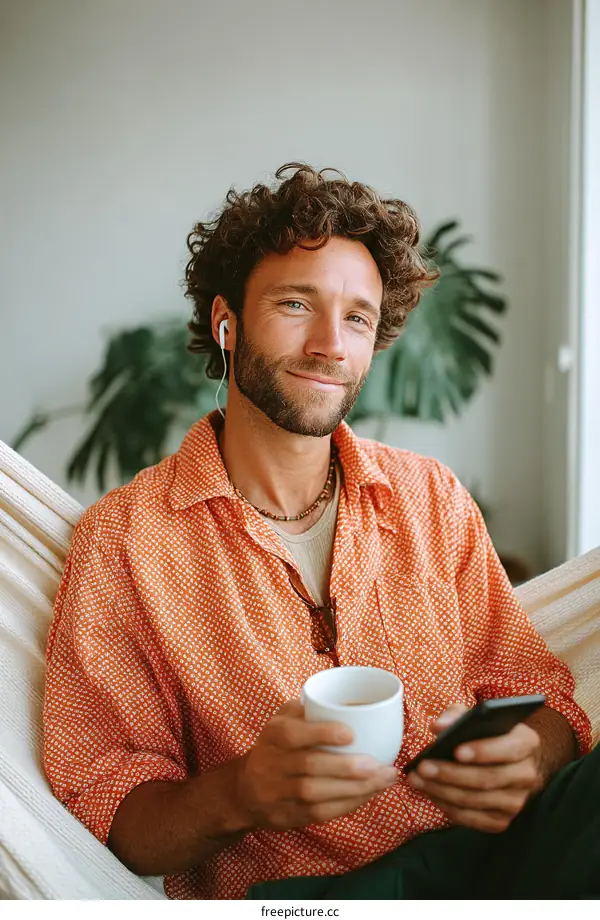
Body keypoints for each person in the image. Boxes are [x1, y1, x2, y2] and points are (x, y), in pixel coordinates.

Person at [43, 164, 595, 901]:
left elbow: (537, 690)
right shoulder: (125, 544)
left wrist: (530, 756)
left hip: (490, 859)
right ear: (225, 321)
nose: (332, 345)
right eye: (297, 303)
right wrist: (241, 794)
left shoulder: (430, 497)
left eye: (358, 318)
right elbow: (112, 806)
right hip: (308, 899)